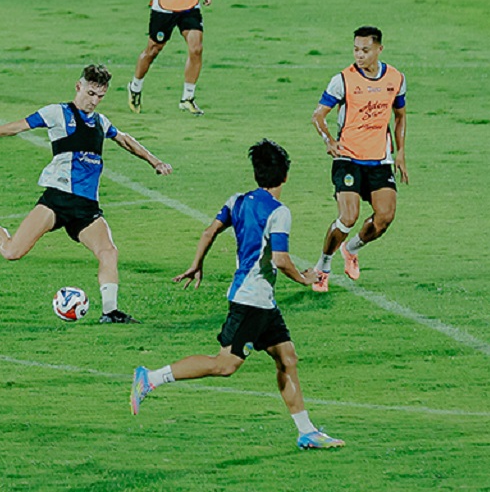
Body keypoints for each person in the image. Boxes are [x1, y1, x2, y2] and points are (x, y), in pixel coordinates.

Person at [129, 140, 344, 450]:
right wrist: (305, 279)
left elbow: (209, 231)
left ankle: (306, 431)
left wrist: (196, 264)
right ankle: (150, 378)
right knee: (225, 365)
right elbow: (282, 260)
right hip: (250, 300)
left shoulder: (237, 201)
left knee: (287, 358)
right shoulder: (279, 213)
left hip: (261, 301)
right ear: (284, 176)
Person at [0, 64, 172, 324]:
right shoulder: (57, 113)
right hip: (58, 200)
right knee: (12, 252)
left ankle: (110, 312)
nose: (94, 101)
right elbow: (15, 127)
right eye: (90, 94)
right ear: (79, 87)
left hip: (87, 208)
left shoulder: (101, 122)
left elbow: (124, 139)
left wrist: (154, 161)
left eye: (100, 96)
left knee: (109, 252)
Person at [308, 26, 408, 293]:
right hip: (348, 158)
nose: (359, 55)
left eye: (365, 50)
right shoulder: (342, 80)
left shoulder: (396, 78)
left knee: (385, 218)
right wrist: (329, 141)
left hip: (380, 159)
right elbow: (318, 115)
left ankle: (350, 249)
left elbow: (400, 116)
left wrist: (400, 153)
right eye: (355, 49)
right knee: (348, 217)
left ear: (378, 49)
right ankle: (323, 267)